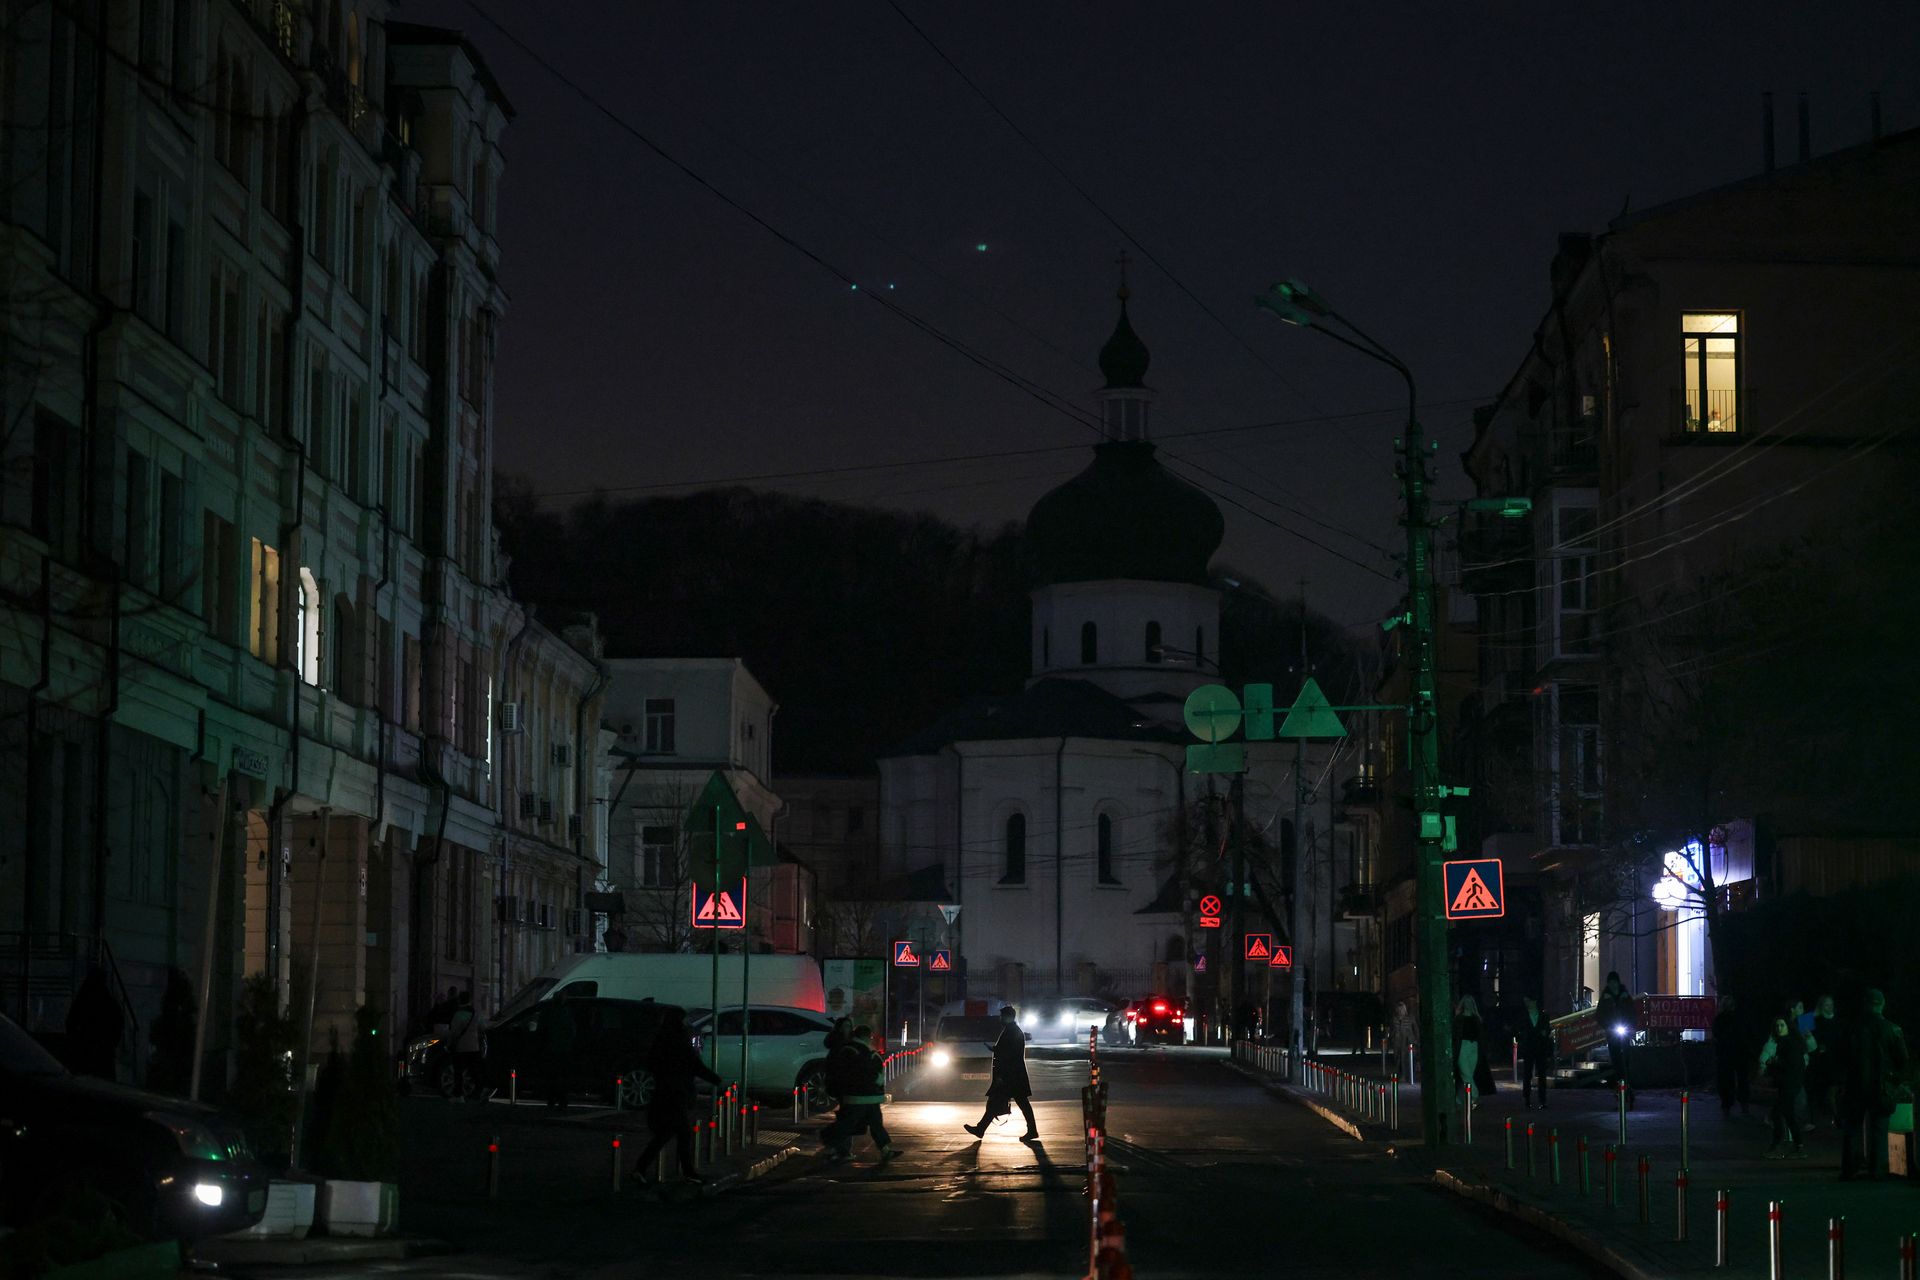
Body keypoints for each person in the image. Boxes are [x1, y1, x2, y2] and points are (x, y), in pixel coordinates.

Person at [634, 1006, 723, 1186]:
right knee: (680, 1133)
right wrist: (715, 1079)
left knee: (667, 1133)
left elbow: (651, 1063)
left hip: (663, 1091)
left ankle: (642, 1168)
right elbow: (694, 1065)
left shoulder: (661, 1039)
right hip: (677, 1092)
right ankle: (686, 1172)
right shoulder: (680, 1040)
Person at [1839, 989, 1910, 1181]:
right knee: (1879, 1129)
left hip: (1855, 1086)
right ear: (1882, 1004)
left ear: (1864, 1004)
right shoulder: (1892, 1028)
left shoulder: (1852, 1028)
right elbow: (1903, 1061)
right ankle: (1876, 1169)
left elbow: (1842, 1058)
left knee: (1852, 1129)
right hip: (1882, 1087)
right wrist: (1896, 1081)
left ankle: (1849, 1169)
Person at [820, 1025, 896, 1162]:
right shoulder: (871, 1053)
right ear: (867, 1037)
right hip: (872, 1096)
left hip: (853, 1096)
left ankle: (831, 1147)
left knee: (847, 1123)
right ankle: (885, 1150)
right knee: (875, 1124)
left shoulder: (846, 1050)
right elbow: (879, 1076)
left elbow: (840, 1074)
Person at [966, 1005, 1038, 1141]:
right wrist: (995, 1049)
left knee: (1001, 1102)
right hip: (1014, 1074)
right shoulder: (1012, 1030)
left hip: (1010, 1075)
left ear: (1008, 1017)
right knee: (1010, 1102)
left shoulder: (1012, 1031)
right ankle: (981, 1129)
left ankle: (981, 1129)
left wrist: (1000, 1075)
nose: (1000, 1019)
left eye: (1002, 1016)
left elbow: (1008, 1055)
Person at [1758, 1012, 1815, 1159]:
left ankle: (1778, 1147)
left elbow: (1794, 1065)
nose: (1779, 1028)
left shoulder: (1789, 1043)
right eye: (1777, 1026)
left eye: (1782, 1025)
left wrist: (1774, 1063)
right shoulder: (1786, 1042)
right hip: (1789, 1083)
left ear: (1788, 1027)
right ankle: (1799, 1147)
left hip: (1790, 1084)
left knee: (1777, 1114)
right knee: (1789, 1116)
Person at [65, 966, 124, 1080]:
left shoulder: (85, 999)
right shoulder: (108, 1001)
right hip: (101, 1052)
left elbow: (71, 1022)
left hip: (87, 1051)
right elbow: (118, 1024)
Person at [1596, 972, 1635, 1107]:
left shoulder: (1625, 996)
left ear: (1618, 983)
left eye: (1614, 982)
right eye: (1610, 982)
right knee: (1617, 1063)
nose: (1613, 984)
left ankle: (1628, 1089)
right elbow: (1599, 1015)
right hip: (1612, 1033)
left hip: (1624, 1032)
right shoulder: (1605, 998)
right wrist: (1607, 1026)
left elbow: (1632, 1012)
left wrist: (1631, 1026)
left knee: (1626, 1062)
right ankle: (1619, 1089)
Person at [1712, 994, 1753, 1118]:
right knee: (1742, 1079)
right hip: (1740, 1052)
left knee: (1726, 1080)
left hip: (1725, 1054)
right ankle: (1744, 1105)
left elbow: (1717, 1036)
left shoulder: (1719, 1019)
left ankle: (1727, 1106)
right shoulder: (1740, 1019)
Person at [537, 996, 578, 1111]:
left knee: (552, 1076)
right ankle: (562, 1100)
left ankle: (552, 1099)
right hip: (564, 1049)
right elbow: (572, 1031)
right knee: (563, 1077)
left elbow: (541, 1031)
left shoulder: (548, 1014)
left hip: (552, 1049)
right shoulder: (566, 1014)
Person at [1807, 994, 1840, 1122]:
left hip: (1833, 1062)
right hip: (1818, 1062)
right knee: (1816, 1091)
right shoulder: (1817, 1020)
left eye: (1831, 1004)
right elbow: (1802, 1024)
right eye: (1826, 1004)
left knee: (1831, 1092)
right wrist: (1815, 1013)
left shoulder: (1838, 1021)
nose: (1830, 1007)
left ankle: (1836, 1118)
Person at [1517, 996, 1553, 1109]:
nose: (1527, 1003)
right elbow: (1519, 1030)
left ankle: (1542, 1100)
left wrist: (1545, 1033)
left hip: (1540, 1048)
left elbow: (1547, 1030)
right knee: (1527, 1074)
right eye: (1525, 1001)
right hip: (1528, 1048)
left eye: (1528, 1001)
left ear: (1535, 1001)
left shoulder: (1543, 1016)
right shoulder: (1523, 1016)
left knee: (1541, 1074)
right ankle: (1527, 1098)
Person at [1453, 995, 1485, 1109]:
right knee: (1465, 1073)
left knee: (1468, 1074)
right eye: (1466, 1002)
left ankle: (1460, 1097)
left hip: (1474, 1047)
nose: (1468, 1005)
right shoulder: (1459, 1019)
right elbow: (1455, 1035)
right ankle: (1475, 1095)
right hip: (1463, 1046)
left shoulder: (1476, 1018)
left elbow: (1481, 1035)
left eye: (1469, 1003)